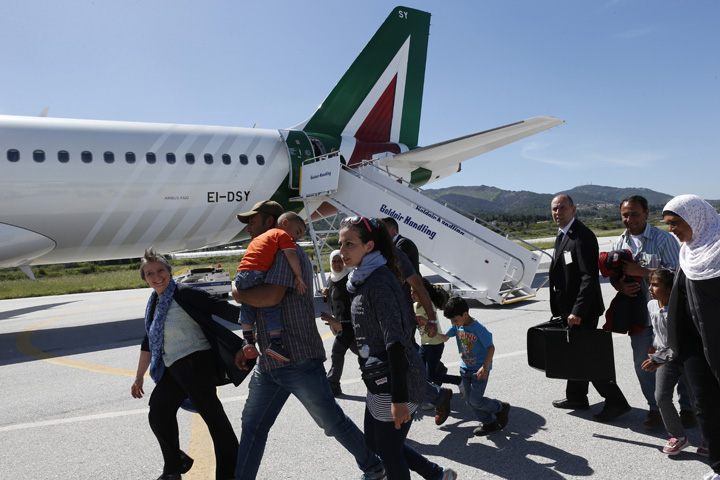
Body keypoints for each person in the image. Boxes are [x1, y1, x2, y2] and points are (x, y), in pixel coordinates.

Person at [232, 203, 386, 480]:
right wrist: (248, 342)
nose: (248, 227)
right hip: (270, 361)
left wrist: (237, 294)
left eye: (252, 221)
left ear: (270, 222)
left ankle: (375, 467)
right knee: (253, 426)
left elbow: (269, 298)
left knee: (331, 422)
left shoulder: (282, 252)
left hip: (297, 357)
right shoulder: (268, 253)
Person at [333, 215, 457, 480]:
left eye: (349, 244)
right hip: (378, 377)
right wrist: (340, 324)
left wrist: (399, 400)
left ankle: (436, 475)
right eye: (340, 244)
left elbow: (396, 343)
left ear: (369, 247)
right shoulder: (362, 278)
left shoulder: (378, 281)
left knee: (389, 452)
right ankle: (436, 475)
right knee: (378, 445)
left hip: (395, 380)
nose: (342, 251)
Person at [131, 248, 245, 480]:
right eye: (150, 273)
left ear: (169, 271)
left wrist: (261, 320)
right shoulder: (154, 302)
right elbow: (148, 340)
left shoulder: (183, 293)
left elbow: (222, 309)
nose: (156, 276)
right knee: (159, 413)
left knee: (215, 422)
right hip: (174, 368)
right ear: (145, 279)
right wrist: (139, 376)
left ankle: (229, 474)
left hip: (196, 364)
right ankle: (175, 465)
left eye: (160, 270)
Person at [609, 195, 694, 429]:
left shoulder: (663, 238)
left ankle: (688, 408)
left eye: (635, 214)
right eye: (625, 215)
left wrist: (643, 271)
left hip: (669, 315)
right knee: (643, 362)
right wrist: (619, 285)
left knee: (680, 360)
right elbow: (614, 275)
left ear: (646, 213)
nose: (629, 219)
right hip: (639, 317)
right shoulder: (619, 243)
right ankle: (656, 408)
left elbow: (677, 272)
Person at [548, 194, 631, 422]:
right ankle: (576, 397)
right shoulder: (563, 235)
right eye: (555, 209)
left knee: (587, 357)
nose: (558, 213)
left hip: (581, 310)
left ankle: (616, 401)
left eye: (562, 208)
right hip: (570, 309)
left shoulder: (582, 236)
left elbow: (589, 278)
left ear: (573, 210)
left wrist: (578, 311)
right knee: (575, 354)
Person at [663, 195, 720, 479]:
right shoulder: (688, 253)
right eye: (668, 224)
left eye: (675, 222)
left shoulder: (718, 249)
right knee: (705, 406)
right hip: (695, 347)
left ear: (696, 218)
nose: (672, 229)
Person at [641, 269, 707, 456]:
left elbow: (680, 342)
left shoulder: (681, 310)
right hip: (665, 358)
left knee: (698, 401)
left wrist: (658, 359)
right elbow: (657, 330)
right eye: (650, 284)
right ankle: (677, 437)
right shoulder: (652, 306)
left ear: (670, 290)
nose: (650, 288)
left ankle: (710, 438)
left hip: (686, 357)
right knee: (661, 397)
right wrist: (654, 346)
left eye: (655, 285)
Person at [235, 210, 307, 363]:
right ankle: (275, 341)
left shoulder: (259, 239)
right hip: (257, 273)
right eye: (297, 232)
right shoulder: (282, 236)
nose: (297, 238)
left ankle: (247, 339)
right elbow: (290, 255)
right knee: (271, 306)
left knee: (248, 304)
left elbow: (238, 293)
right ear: (285, 224)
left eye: (252, 223)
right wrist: (298, 276)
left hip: (242, 274)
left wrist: (238, 293)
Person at [436, 296, 510, 436]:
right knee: (470, 402)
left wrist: (485, 367)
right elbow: (445, 337)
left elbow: (491, 347)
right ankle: (488, 423)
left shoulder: (478, 328)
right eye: (451, 320)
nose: (453, 323)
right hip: (465, 369)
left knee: (475, 400)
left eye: (455, 319)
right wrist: (433, 332)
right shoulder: (457, 325)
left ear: (465, 314)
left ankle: (500, 407)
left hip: (479, 370)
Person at [320, 249, 358, 396]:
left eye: (339, 261)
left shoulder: (351, 279)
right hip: (341, 326)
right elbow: (335, 298)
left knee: (365, 356)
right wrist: (326, 294)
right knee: (337, 353)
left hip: (352, 326)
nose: (336, 264)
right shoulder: (332, 278)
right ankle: (333, 384)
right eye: (334, 261)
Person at [413, 278, 461, 390]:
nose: (412, 294)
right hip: (424, 344)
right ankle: (431, 394)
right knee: (421, 372)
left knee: (432, 375)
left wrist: (423, 319)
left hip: (435, 344)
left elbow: (432, 319)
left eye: (415, 291)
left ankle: (459, 381)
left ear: (423, 292)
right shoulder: (414, 306)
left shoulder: (429, 305)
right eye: (411, 292)